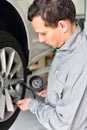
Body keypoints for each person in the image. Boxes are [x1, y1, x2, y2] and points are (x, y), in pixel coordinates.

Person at [16, 0, 87, 129]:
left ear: (62, 26)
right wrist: (53, 91)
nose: (40, 39)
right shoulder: (65, 46)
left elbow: (63, 125)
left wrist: (33, 105)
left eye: (43, 33)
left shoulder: (79, 63)